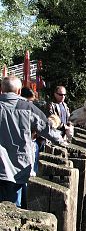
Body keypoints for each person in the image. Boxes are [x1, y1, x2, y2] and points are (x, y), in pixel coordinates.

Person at [0, 76, 65, 208]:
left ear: (2, 90)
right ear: (19, 91)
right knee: (14, 209)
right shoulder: (28, 108)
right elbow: (47, 129)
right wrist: (62, 141)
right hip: (19, 167)